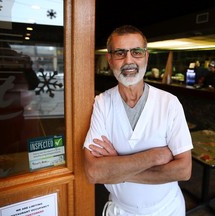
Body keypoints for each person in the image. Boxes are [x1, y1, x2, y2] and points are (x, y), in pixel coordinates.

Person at [83, 25, 193, 215]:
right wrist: (154, 157)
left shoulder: (168, 103)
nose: (129, 60)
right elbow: (94, 172)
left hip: (166, 210)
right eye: (120, 53)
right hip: (121, 211)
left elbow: (183, 170)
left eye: (136, 52)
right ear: (109, 59)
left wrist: (116, 168)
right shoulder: (102, 104)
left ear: (146, 57)